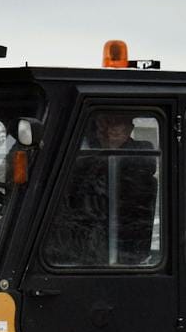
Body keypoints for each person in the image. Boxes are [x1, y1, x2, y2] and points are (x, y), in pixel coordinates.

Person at [45, 112, 159, 266]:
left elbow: (124, 213)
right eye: (103, 122)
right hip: (75, 249)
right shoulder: (80, 163)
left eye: (116, 122)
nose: (108, 129)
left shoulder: (138, 167)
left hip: (114, 256)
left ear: (129, 128)